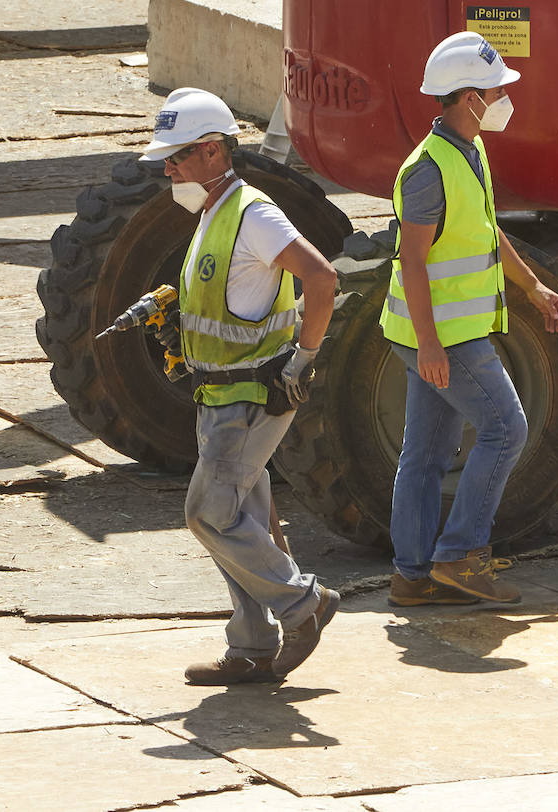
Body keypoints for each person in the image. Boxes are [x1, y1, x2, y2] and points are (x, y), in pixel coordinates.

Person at [140, 87, 341, 684]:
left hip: (251, 396)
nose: (168, 169)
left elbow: (322, 279)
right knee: (241, 521)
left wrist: (304, 358)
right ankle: (252, 647)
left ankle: (304, 604)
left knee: (208, 515)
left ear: (212, 151)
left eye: (176, 157)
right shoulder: (213, 214)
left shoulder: (254, 214)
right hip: (217, 395)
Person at [379, 32, 558, 606]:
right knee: (506, 429)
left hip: (442, 333)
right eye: (496, 90)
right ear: (469, 98)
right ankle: (461, 557)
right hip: (445, 336)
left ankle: (412, 577)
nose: (505, 98)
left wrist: (532, 285)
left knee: (426, 456)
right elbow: (412, 260)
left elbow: (485, 231)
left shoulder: (470, 151)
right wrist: (430, 345)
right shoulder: (427, 171)